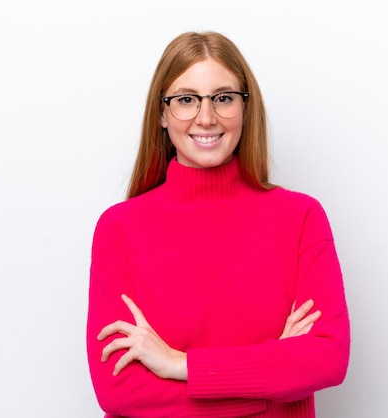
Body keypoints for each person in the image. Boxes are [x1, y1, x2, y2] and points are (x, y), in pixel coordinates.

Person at [86, 31, 350, 417]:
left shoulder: (300, 218)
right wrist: (270, 387)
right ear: (161, 114)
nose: (206, 117)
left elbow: (327, 358)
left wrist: (181, 366)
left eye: (223, 98)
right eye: (186, 100)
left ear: (245, 109)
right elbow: (119, 390)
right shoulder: (119, 229)